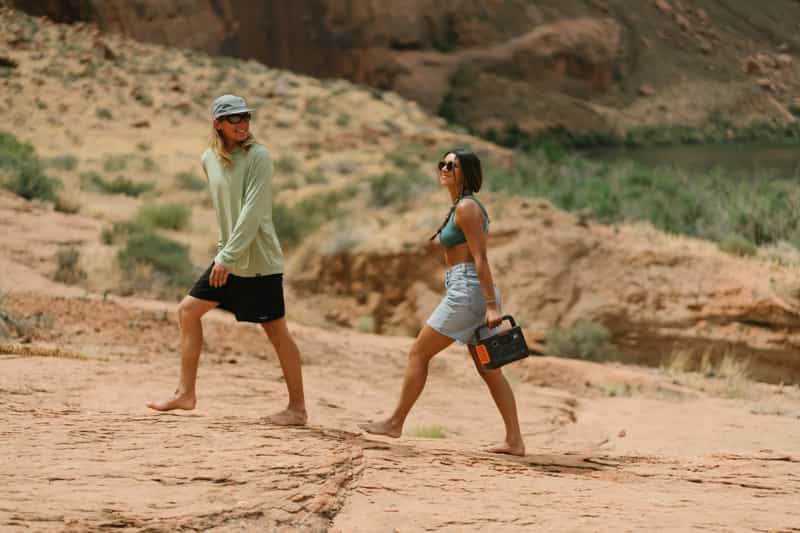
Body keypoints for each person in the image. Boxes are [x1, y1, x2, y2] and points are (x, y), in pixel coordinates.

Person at [146, 94, 307, 426]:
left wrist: (227, 257)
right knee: (188, 311)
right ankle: (185, 394)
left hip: (258, 260)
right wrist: (225, 255)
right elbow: (226, 212)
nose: (243, 124)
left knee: (277, 332)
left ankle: (297, 410)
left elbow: (253, 211)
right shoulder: (209, 158)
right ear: (217, 123)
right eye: (234, 119)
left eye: (246, 117)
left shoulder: (259, 156)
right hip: (228, 257)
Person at [360, 149, 525, 456]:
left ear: (468, 173)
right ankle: (514, 441)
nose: (445, 168)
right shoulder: (459, 207)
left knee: (418, 354)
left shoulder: (466, 208)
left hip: (468, 293)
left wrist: (491, 306)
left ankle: (395, 422)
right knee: (489, 368)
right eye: (443, 163)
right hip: (468, 291)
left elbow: (481, 258)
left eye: (454, 165)